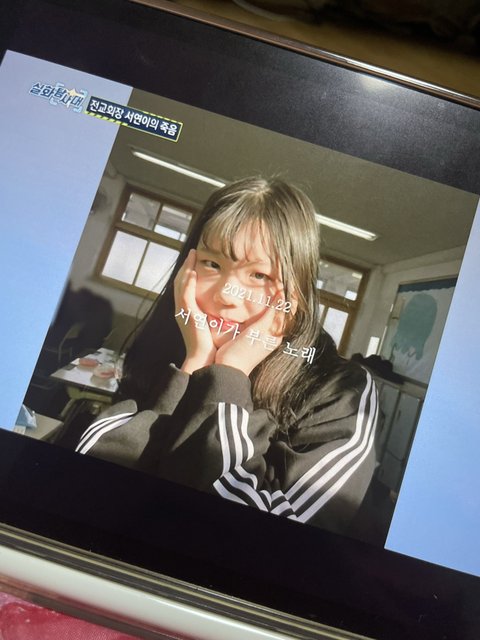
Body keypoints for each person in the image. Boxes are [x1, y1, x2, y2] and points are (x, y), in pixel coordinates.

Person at [66, 177, 378, 536]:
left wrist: (228, 375)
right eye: (212, 264)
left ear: (297, 291)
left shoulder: (341, 389)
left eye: (259, 274)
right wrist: (193, 365)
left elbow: (265, 540)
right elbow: (94, 480)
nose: (226, 294)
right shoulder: (172, 341)